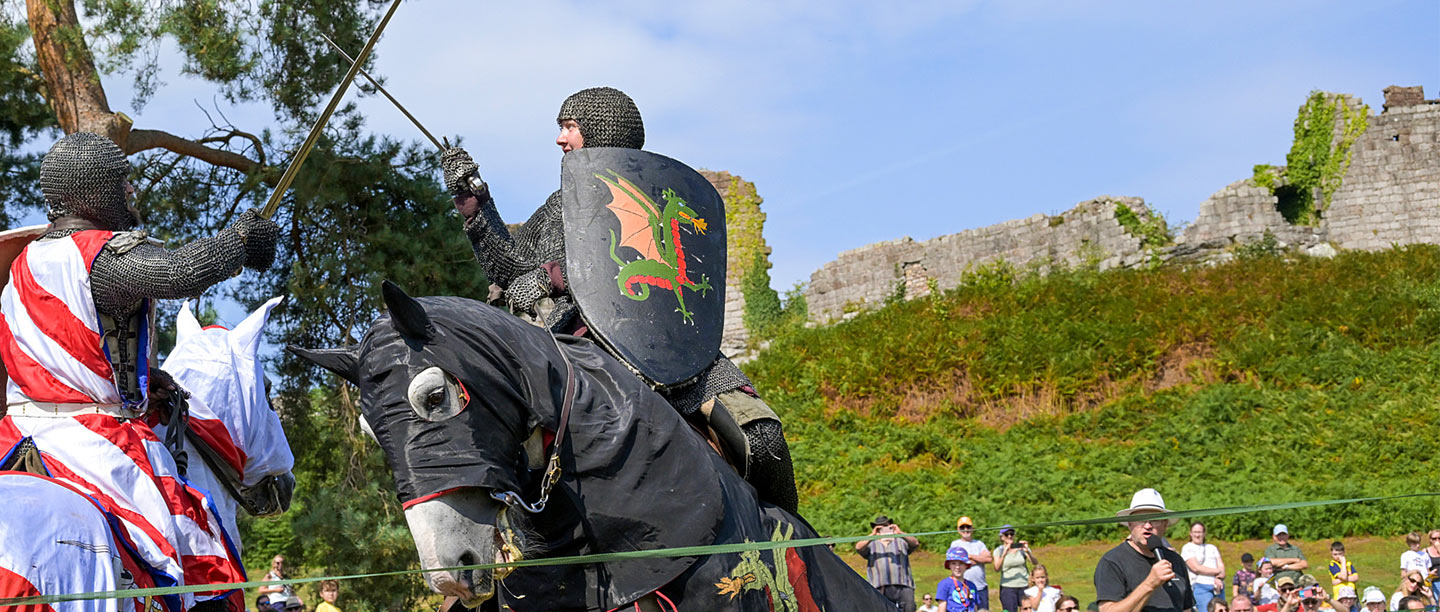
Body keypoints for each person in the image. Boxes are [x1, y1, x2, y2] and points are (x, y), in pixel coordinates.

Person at [438, 87, 799, 513]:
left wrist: (554, 276)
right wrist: (476, 206)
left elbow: (672, 272)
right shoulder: (563, 206)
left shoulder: (662, 196)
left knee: (761, 434)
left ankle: (793, 539)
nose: (560, 139)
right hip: (585, 341)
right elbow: (512, 270)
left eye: (569, 127)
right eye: (561, 128)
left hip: (671, 350)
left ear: (601, 131)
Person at [0, 132, 277, 602]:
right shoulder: (99, 255)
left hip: (18, 437)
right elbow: (178, 272)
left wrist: (152, 380)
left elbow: (67, 358)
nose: (131, 192)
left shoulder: (21, 266)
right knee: (194, 549)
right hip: (91, 443)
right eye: (122, 182)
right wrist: (238, 243)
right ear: (91, 191)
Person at [1094, 488, 1195, 612]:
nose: (1148, 526)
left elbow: (1187, 608)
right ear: (1130, 523)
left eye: (1155, 520)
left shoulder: (1175, 560)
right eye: (1141, 519)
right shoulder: (1112, 561)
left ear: (1165, 525)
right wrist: (1150, 583)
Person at [857, 515, 919, 612]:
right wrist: (873, 535)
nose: (884, 530)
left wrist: (899, 532)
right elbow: (858, 547)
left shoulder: (901, 541)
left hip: (903, 584)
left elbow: (915, 543)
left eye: (885, 526)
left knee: (909, 608)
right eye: (880, 528)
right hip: (879, 585)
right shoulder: (871, 543)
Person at [950, 516, 995, 612]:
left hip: (980, 587)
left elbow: (989, 559)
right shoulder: (955, 544)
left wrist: (970, 556)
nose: (966, 530)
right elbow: (957, 562)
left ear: (972, 528)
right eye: (962, 527)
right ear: (958, 530)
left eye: (968, 527)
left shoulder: (979, 544)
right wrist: (979, 558)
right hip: (962, 587)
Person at [1184, 521, 1226, 612]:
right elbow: (1196, 568)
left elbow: (1221, 566)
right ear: (1190, 533)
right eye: (1195, 532)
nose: (1197, 535)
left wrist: (1219, 578)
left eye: (1199, 532)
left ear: (1204, 533)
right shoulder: (1187, 548)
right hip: (1200, 586)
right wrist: (1218, 571)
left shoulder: (1212, 548)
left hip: (1218, 586)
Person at [996, 525, 1038, 612]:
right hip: (1008, 587)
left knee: (1027, 609)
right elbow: (996, 568)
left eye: (1012, 534)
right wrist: (1004, 553)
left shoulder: (1021, 549)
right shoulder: (999, 550)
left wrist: (1027, 551)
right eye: (1007, 534)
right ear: (1002, 537)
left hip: (1024, 585)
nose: (1010, 536)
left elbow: (1034, 562)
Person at [938, 546, 981, 612]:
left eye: (961, 563)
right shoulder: (944, 584)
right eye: (953, 563)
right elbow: (942, 607)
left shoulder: (971, 585)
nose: (957, 567)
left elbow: (975, 607)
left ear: (966, 565)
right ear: (949, 565)